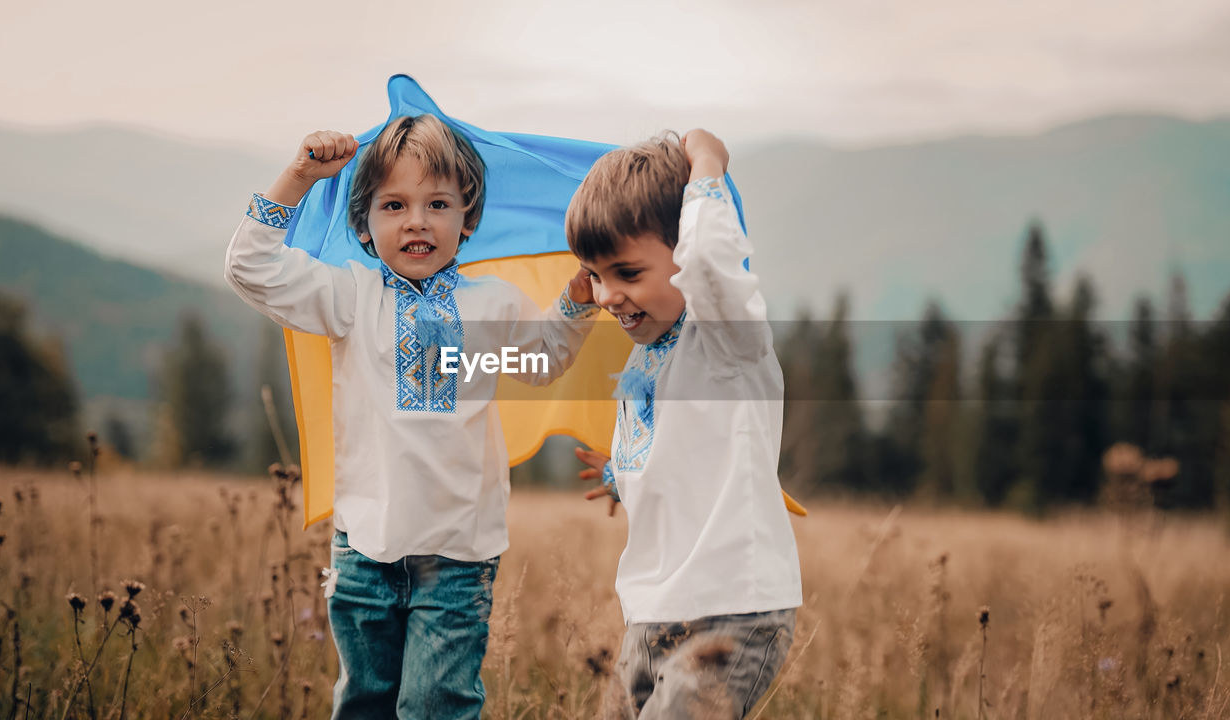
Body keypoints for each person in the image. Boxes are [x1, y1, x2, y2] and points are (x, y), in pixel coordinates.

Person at [224, 114, 598, 719]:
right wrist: (298, 177)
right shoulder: (350, 298)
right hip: (364, 552)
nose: (417, 220)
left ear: (468, 218)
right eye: (393, 205)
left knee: (435, 707)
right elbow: (250, 267)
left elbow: (540, 358)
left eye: (438, 203)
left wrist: (575, 302)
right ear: (365, 225)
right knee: (364, 705)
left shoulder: (492, 305)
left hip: (457, 559)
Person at [569, 129, 802, 719]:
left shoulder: (727, 341)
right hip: (650, 614)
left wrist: (706, 166)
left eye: (626, 272)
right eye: (596, 275)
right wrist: (622, 471)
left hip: (731, 612)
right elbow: (681, 449)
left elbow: (710, 264)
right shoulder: (648, 356)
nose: (609, 296)